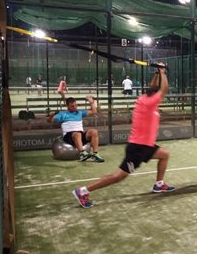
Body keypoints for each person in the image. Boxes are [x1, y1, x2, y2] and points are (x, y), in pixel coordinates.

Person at [72, 63, 175, 209]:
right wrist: (163, 72)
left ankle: (159, 184)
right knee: (118, 177)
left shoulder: (144, 98)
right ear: (155, 95)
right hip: (138, 148)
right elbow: (163, 89)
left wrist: (157, 73)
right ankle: (83, 191)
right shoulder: (151, 102)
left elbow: (155, 87)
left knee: (164, 155)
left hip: (146, 145)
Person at [47, 95, 105, 162]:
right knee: (77, 134)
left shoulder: (79, 113)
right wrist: (51, 115)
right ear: (67, 106)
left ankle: (95, 154)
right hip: (68, 137)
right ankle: (83, 154)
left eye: (75, 105)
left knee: (94, 131)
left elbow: (94, 111)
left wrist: (91, 102)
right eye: (72, 106)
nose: (75, 107)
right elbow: (49, 121)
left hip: (79, 134)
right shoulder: (62, 114)